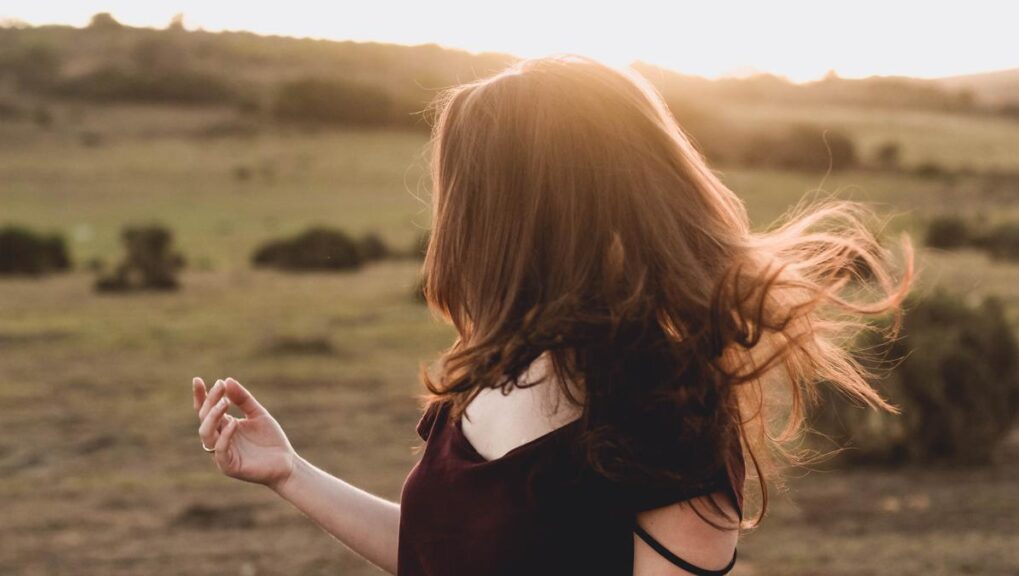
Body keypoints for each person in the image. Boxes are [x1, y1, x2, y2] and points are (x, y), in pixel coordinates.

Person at [191, 54, 912, 575]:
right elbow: (440, 554)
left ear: (515, 216)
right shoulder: (492, 368)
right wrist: (290, 473)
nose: (450, 225)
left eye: (466, 197)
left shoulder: (668, 413)